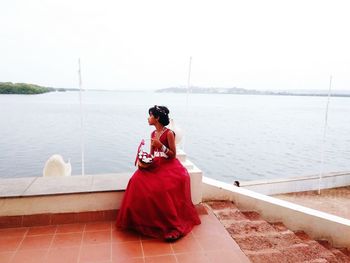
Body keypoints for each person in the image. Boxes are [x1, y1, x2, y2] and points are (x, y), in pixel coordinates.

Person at [116, 105, 201, 241]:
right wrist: (145, 160)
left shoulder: (169, 134)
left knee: (162, 189)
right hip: (155, 164)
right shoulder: (152, 134)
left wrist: (161, 146)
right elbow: (152, 154)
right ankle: (140, 221)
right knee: (135, 181)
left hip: (168, 165)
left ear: (157, 118)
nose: (148, 118)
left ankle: (171, 225)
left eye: (150, 115)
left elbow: (173, 155)